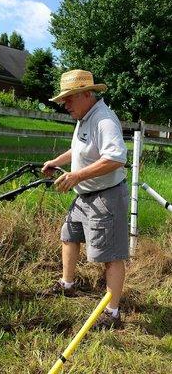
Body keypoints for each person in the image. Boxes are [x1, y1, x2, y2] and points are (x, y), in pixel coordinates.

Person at [42, 69, 129, 329]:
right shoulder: (85, 117)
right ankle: (67, 285)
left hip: (105, 197)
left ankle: (112, 313)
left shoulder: (104, 119)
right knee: (69, 235)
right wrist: (56, 162)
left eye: (70, 98)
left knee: (111, 254)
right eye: (64, 99)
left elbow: (116, 158)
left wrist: (77, 176)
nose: (65, 104)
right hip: (85, 194)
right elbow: (80, 147)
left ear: (87, 94)